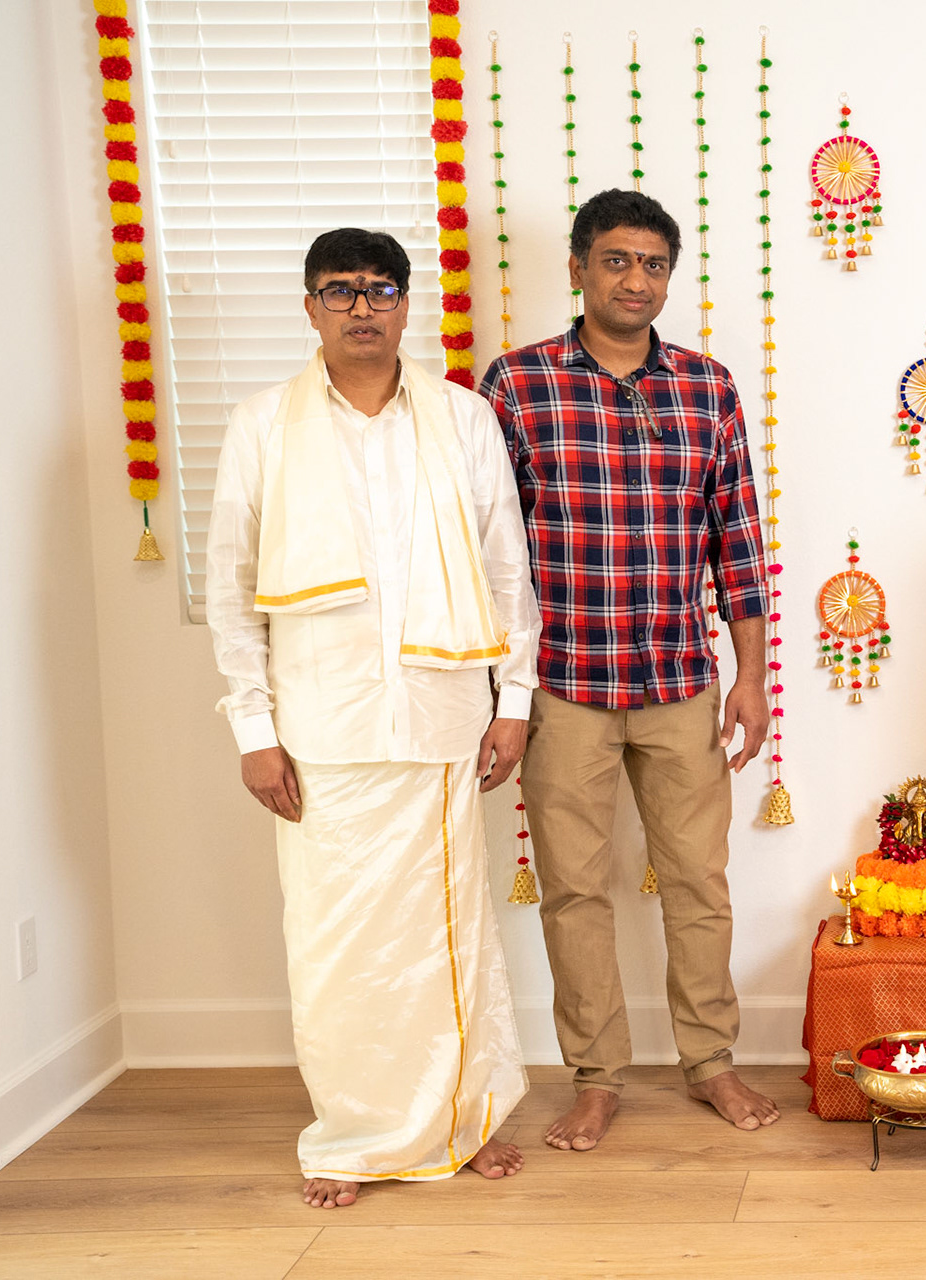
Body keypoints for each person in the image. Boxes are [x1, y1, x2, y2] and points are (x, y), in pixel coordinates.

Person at [206, 228, 536, 1209]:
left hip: (441, 718)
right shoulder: (263, 425)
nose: (362, 307)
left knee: (449, 939)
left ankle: (463, 1121)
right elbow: (230, 587)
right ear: (310, 307)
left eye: (380, 289)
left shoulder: (463, 418)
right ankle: (352, 1139)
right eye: (340, 290)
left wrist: (514, 702)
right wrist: (253, 730)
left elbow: (507, 570)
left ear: (406, 303)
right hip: (321, 731)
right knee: (336, 946)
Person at [479, 188, 779, 1149]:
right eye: (616, 260)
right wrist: (502, 692)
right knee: (573, 890)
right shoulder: (516, 385)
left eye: (653, 264)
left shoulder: (708, 387)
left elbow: (738, 542)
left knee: (700, 883)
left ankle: (712, 1063)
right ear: (578, 269)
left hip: (681, 680)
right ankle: (597, 1077)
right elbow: (490, 551)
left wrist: (751, 678)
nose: (635, 280)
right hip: (562, 685)